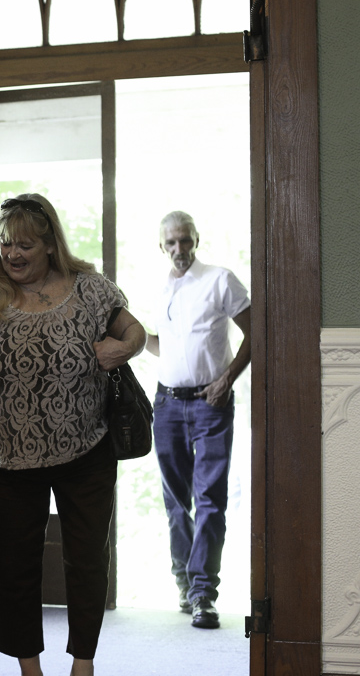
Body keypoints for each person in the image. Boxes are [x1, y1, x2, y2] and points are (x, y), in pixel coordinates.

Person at [0, 193, 145, 676]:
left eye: (24, 244)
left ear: (49, 245)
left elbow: (134, 331)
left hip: (85, 447)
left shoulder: (91, 288)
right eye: (5, 243)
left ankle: (83, 663)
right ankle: (31, 669)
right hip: (2, 456)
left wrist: (123, 348)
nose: (13, 253)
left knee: (87, 560)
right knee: (12, 567)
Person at [145, 211, 251, 630]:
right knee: (176, 502)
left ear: (196, 240)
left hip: (211, 403)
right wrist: (132, 338)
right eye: (171, 242)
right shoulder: (159, 288)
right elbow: (165, 345)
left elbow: (255, 331)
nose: (179, 249)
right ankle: (184, 584)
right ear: (162, 246)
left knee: (209, 499)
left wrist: (227, 379)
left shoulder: (220, 280)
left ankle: (204, 594)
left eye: (185, 240)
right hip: (167, 405)